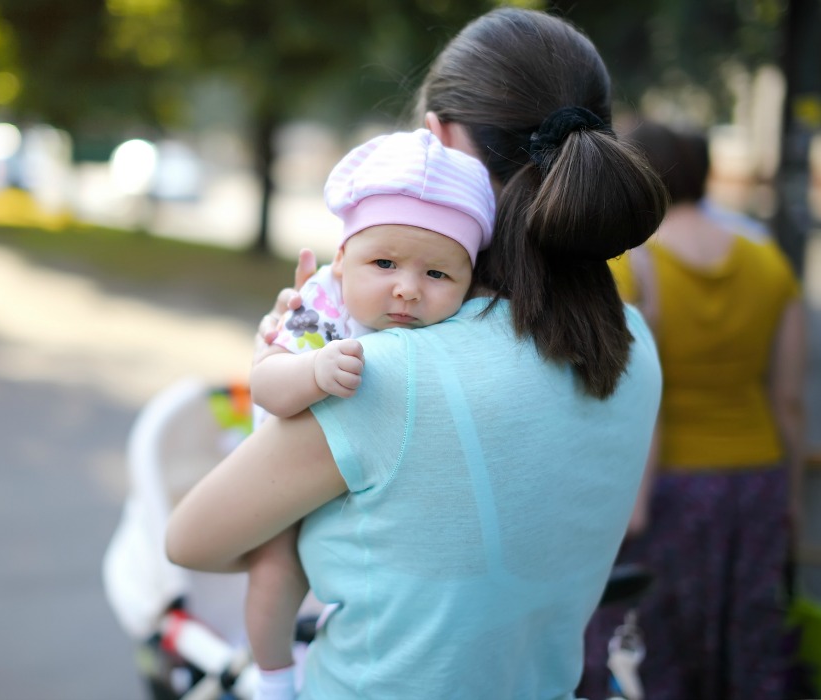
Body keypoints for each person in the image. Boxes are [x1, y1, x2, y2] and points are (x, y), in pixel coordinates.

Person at [167, 8, 669, 698]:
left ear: (435, 141)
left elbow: (192, 540)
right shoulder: (636, 343)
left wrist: (298, 347)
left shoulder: (385, 376)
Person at [245, 128, 495, 700]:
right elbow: (266, 384)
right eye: (383, 263)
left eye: (437, 274)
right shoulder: (324, 303)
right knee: (276, 566)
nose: (407, 289)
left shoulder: (459, 325)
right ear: (344, 257)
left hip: (369, 484)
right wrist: (312, 371)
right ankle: (273, 677)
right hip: (284, 474)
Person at [578, 122, 806, 700]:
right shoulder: (770, 264)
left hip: (667, 489)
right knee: (751, 640)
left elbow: (623, 394)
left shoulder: (631, 268)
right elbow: (789, 398)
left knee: (662, 650)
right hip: (757, 476)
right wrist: (794, 497)